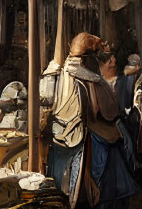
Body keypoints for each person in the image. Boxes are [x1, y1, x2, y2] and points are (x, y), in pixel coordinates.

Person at [40, 34, 136, 209]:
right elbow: (107, 112)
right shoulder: (89, 79)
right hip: (80, 139)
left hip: (68, 137)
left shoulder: (60, 73)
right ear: (88, 58)